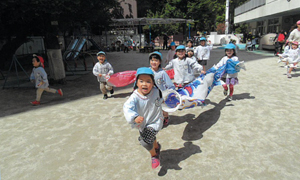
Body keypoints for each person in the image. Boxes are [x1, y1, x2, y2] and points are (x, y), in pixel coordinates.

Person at [123, 67, 163, 169]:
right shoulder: (135, 96)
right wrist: (134, 117)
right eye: (141, 81)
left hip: (156, 120)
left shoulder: (157, 91)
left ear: (153, 83)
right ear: (136, 83)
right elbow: (127, 107)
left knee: (145, 141)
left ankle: (154, 155)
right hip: (142, 123)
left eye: (148, 81)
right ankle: (156, 147)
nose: (144, 84)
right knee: (150, 136)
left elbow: (165, 97)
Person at [149, 51, 175, 128]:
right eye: (152, 60)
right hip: (151, 94)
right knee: (153, 108)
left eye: (156, 60)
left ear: (160, 62)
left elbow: (169, 84)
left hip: (161, 95)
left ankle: (166, 117)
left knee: (163, 108)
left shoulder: (162, 73)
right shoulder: (148, 71)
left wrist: (171, 93)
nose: (154, 62)